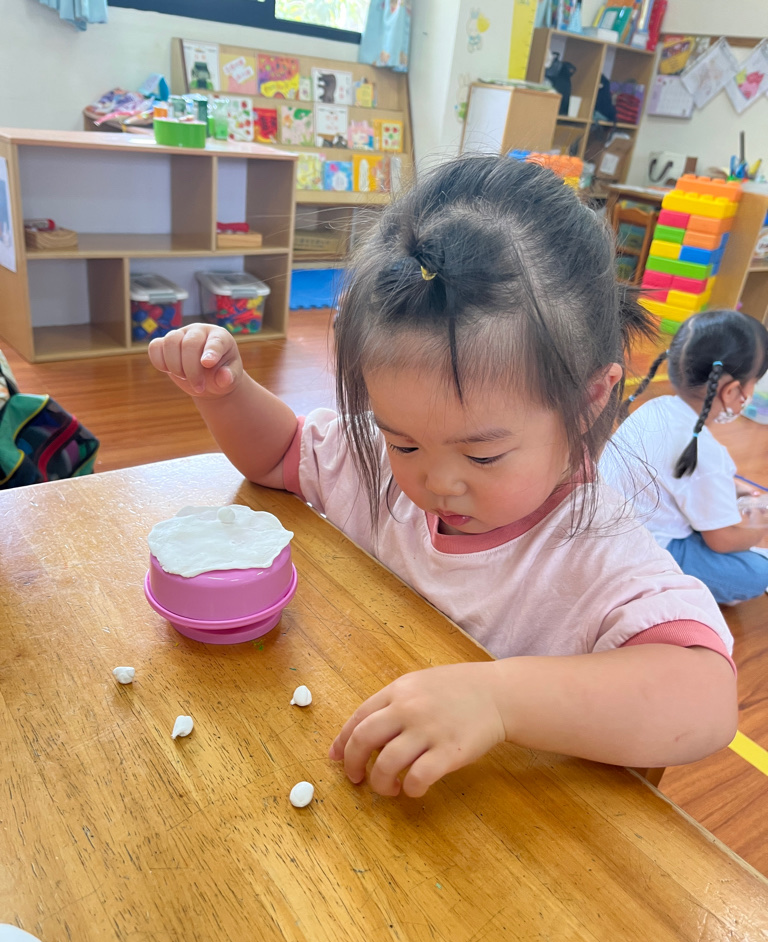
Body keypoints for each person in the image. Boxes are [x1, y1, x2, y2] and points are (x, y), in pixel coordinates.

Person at [148, 156, 736, 799]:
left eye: (482, 457)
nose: (436, 483)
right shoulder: (375, 465)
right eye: (403, 441)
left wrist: (500, 701)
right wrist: (226, 393)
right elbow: (279, 455)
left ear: (589, 400)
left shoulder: (594, 547)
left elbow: (705, 699)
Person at [602, 309, 768, 605]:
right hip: (643, 553)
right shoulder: (705, 451)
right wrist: (759, 530)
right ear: (732, 391)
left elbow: (677, 476)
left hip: (610, 532)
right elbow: (722, 541)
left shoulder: (654, 408)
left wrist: (732, 488)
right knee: (757, 573)